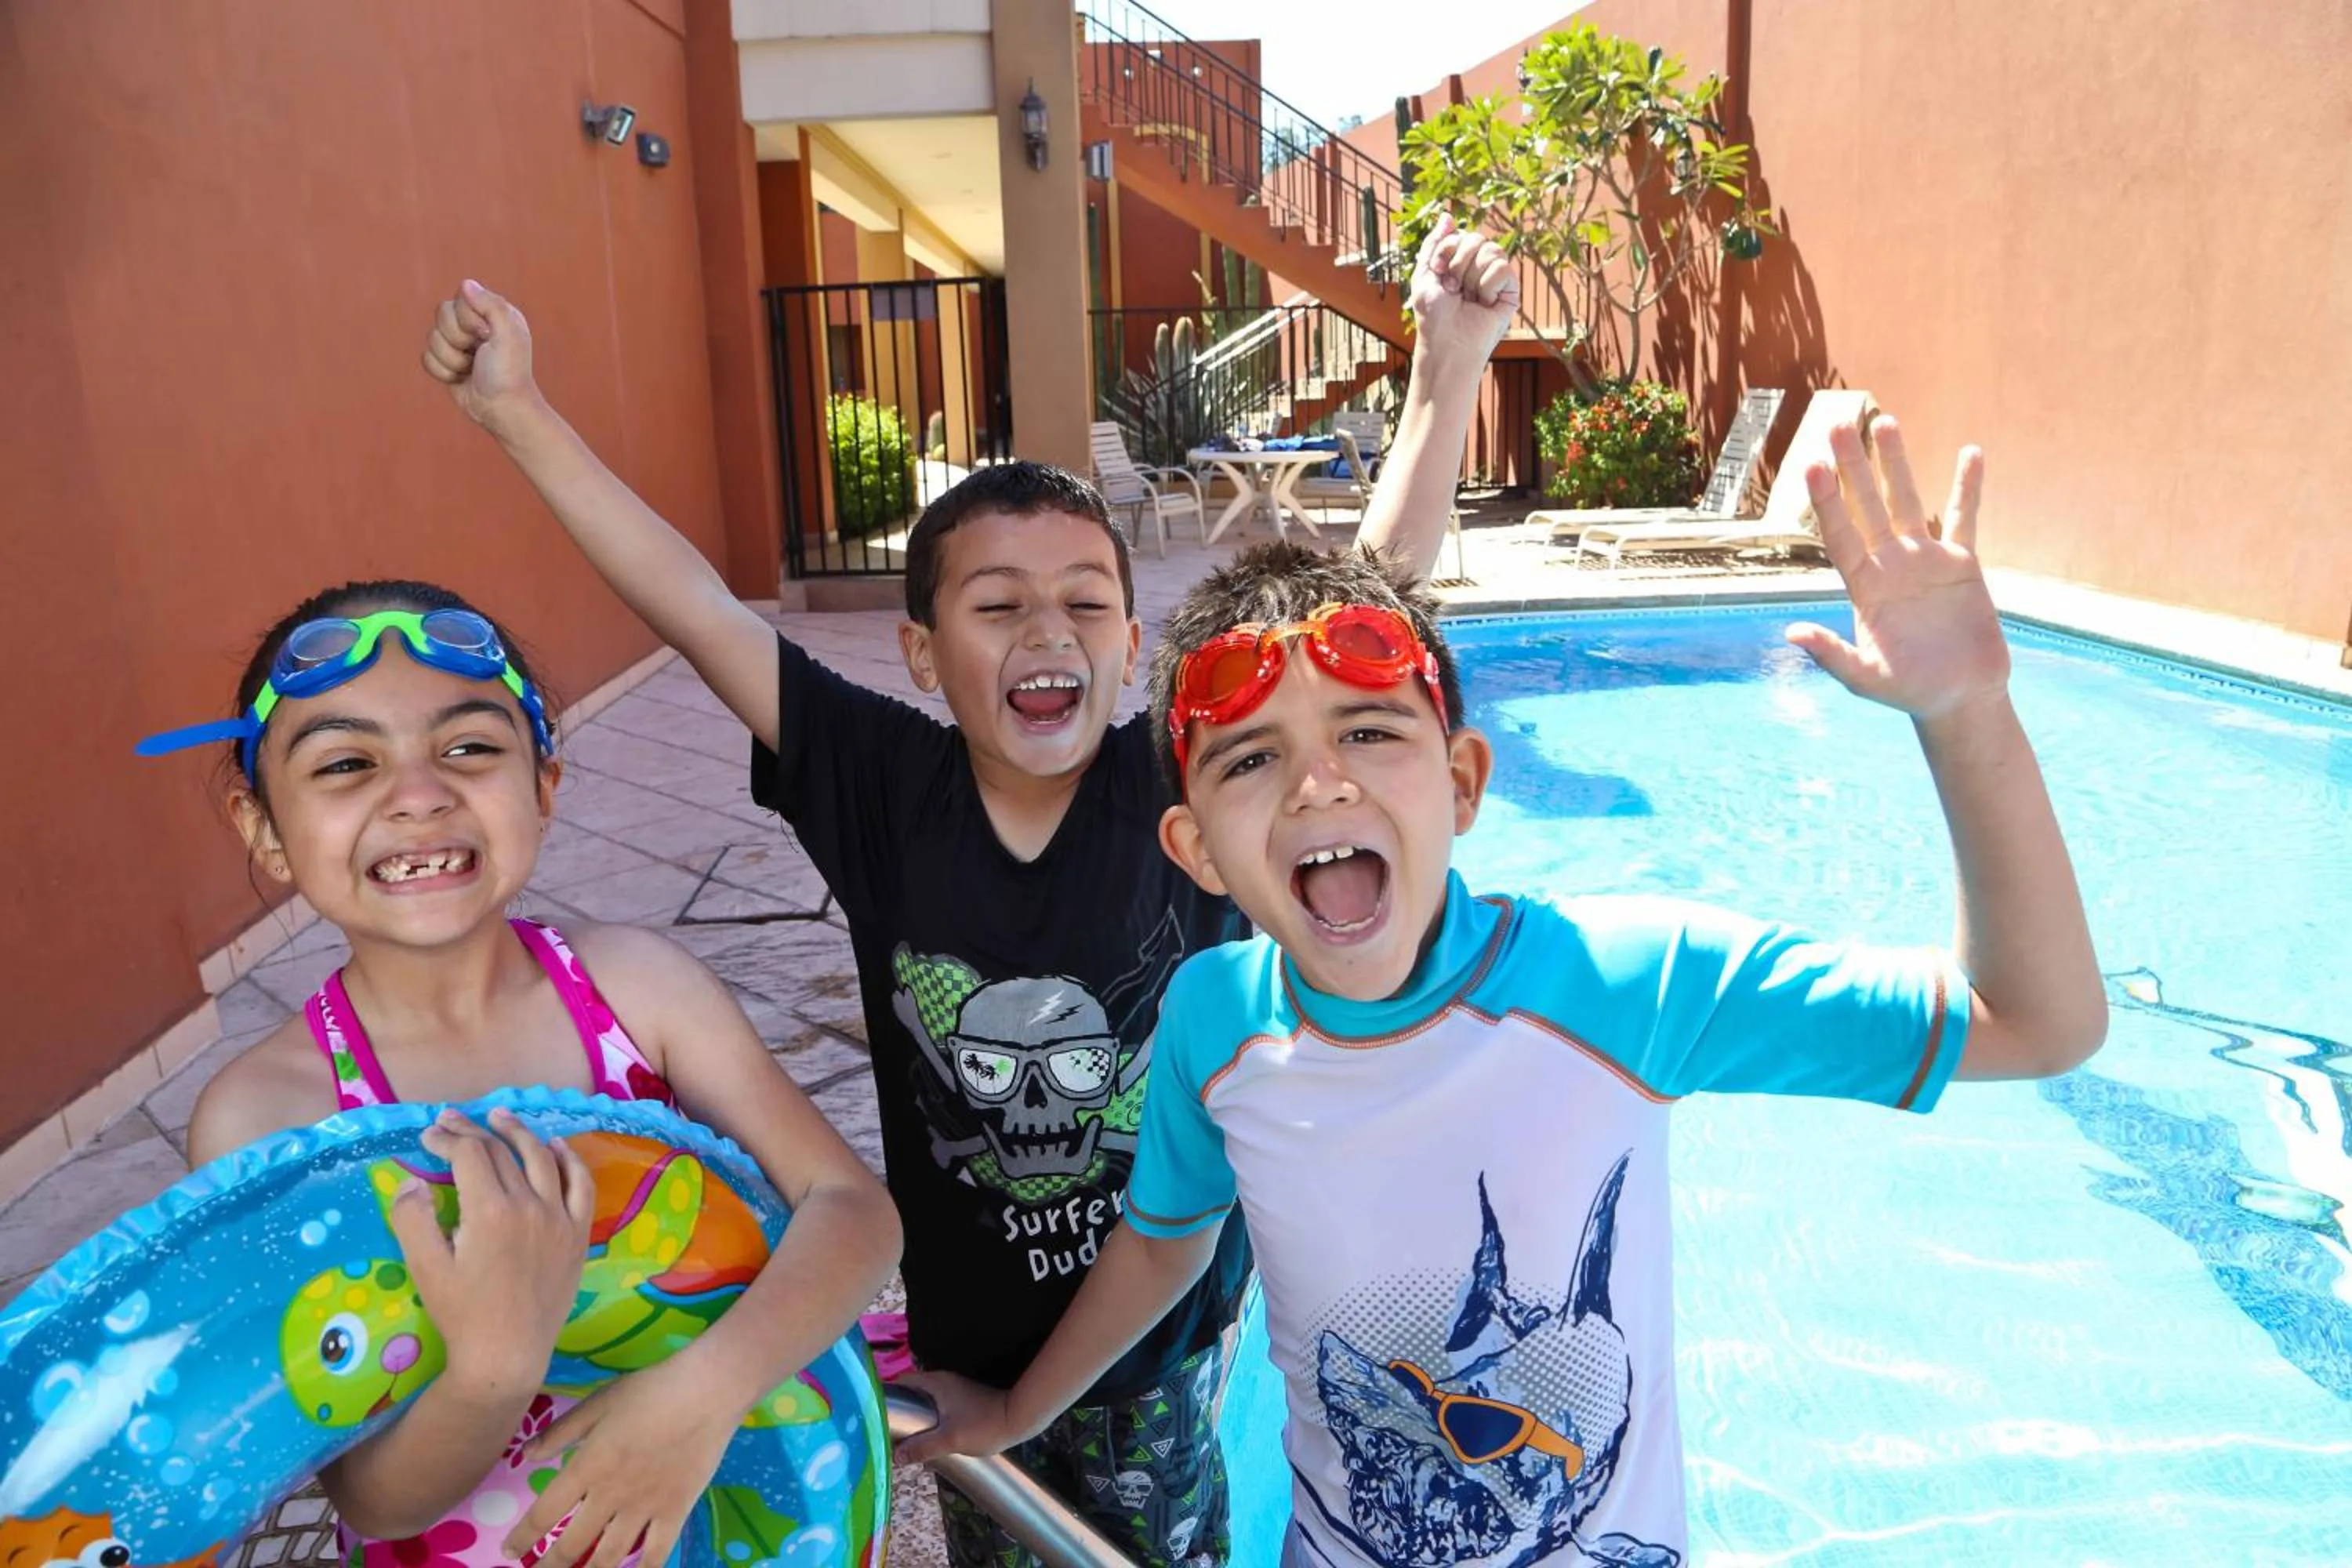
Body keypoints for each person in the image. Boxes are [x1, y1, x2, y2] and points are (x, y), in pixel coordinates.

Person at [417, 219, 1519, 1566]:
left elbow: (1365, 617)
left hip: (1152, 1351)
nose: (1047, 633)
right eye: (996, 608)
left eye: (1084, 604)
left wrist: (1447, 365)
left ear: (1130, 642)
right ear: (923, 655)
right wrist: (517, 412)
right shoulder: (881, 788)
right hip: (958, 1339)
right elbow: (694, 606)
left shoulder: (1172, 787)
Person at [896, 422, 2111, 1566]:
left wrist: (1966, 714)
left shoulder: (1626, 983)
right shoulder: (1215, 1018)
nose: (1319, 784)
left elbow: (2037, 1021)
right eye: (1253, 758)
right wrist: (1016, 1410)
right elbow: (1164, 1249)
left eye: (1372, 733)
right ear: (1199, 852)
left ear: (1466, 784)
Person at [153, 581, 901, 1568]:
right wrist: (495, 1366)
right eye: (345, 762)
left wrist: (700, 1393)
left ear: (544, 783)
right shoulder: (270, 1116)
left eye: (469, 748)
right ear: (264, 829)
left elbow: (853, 1209)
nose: (419, 794)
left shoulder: (638, 991)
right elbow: (370, 1496)